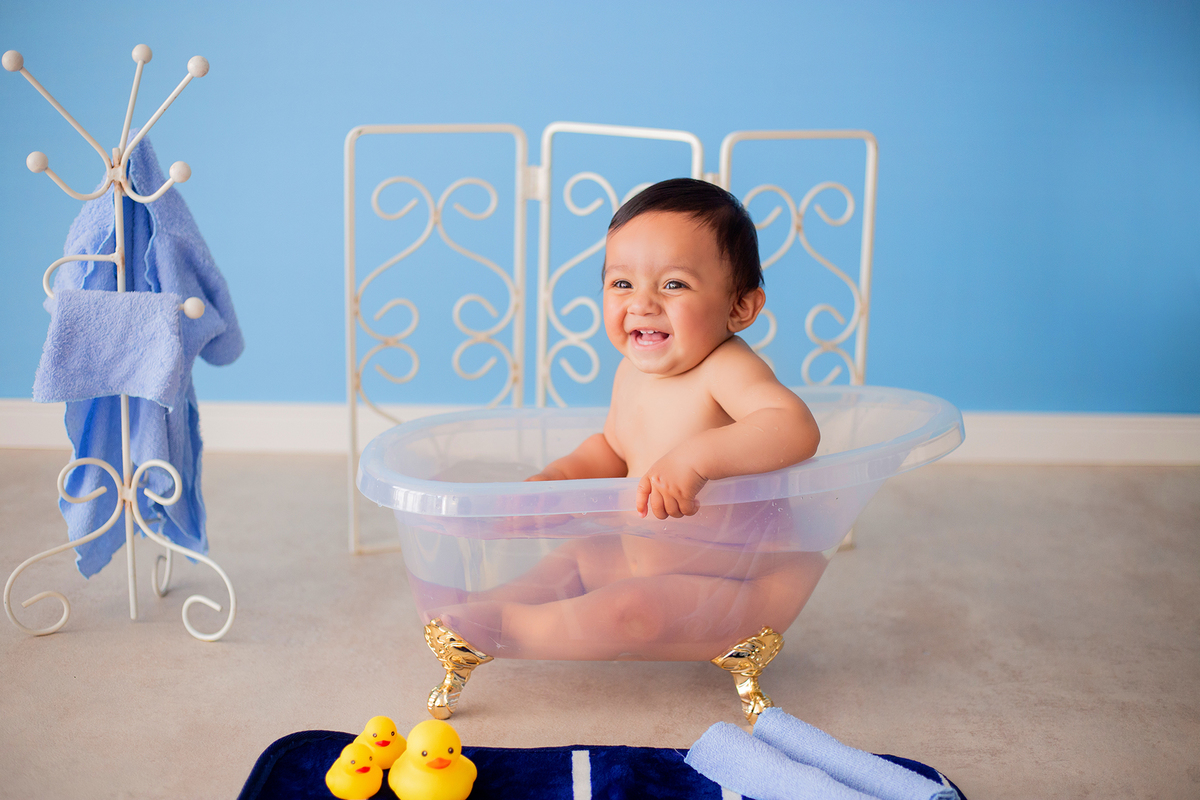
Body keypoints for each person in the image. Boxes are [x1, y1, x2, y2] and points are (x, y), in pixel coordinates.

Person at [440, 178, 824, 660]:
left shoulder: (726, 367)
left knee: (633, 608)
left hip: (727, 577)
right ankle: (484, 606)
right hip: (634, 554)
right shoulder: (631, 372)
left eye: (674, 284)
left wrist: (696, 458)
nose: (642, 302)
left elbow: (794, 426)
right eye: (622, 283)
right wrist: (555, 481)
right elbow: (614, 447)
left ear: (739, 306)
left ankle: (515, 629)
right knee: (574, 560)